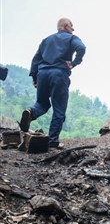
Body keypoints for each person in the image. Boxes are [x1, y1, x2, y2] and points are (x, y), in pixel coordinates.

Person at [19, 17, 86, 149]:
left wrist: (34, 77)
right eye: (72, 26)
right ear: (66, 26)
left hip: (42, 74)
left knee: (42, 103)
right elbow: (82, 48)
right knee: (59, 108)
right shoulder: (71, 38)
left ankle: (30, 112)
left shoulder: (46, 40)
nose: (73, 29)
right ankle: (53, 141)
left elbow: (36, 58)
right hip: (59, 74)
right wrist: (74, 63)